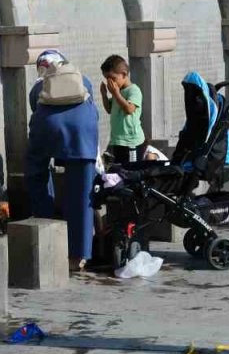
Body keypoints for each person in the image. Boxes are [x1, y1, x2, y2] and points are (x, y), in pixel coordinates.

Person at [26, 50, 100, 271]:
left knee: (35, 172)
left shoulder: (39, 85)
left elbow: (36, 109)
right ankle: (79, 256)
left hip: (48, 126)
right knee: (82, 193)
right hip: (83, 132)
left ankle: (45, 224)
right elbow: (90, 103)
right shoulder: (82, 77)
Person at [99, 55, 146, 164]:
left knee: (130, 172)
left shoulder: (133, 90)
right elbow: (109, 109)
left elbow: (129, 109)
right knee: (119, 172)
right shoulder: (118, 92)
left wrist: (116, 93)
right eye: (107, 79)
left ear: (124, 74)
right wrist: (104, 95)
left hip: (131, 142)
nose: (111, 83)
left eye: (113, 79)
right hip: (117, 141)